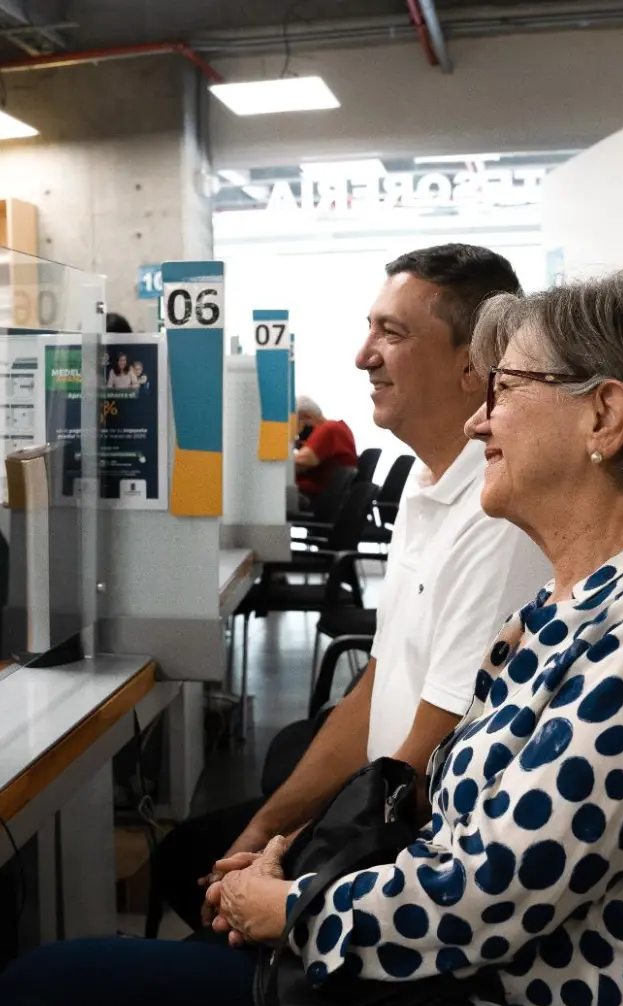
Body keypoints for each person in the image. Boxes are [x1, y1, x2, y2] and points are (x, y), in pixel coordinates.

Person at [0, 269, 623, 1006]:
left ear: (604, 417)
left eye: (505, 388)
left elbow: (492, 892)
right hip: (435, 977)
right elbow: (457, 822)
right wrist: (299, 858)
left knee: (45, 990)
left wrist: (294, 907)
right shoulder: (571, 601)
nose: (481, 419)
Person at [147, 244, 552, 938]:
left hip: (405, 843)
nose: (364, 355)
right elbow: (375, 688)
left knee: (186, 876)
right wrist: (267, 826)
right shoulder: (431, 489)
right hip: (380, 800)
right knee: (194, 854)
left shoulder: (496, 521)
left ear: (472, 363)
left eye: (391, 333)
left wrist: (285, 859)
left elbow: (420, 767)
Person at [293, 396, 358, 509]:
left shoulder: (329, 429)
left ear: (306, 416)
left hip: (316, 499)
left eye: (295, 422)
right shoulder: (339, 427)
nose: (297, 431)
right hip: (327, 497)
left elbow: (301, 461)